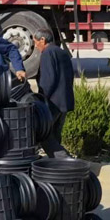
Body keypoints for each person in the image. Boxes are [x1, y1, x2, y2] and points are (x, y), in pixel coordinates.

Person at [33, 28, 74, 158]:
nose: (35, 45)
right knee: (55, 137)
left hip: (53, 103)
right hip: (65, 101)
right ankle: (58, 167)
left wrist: (41, 99)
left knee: (44, 135)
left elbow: (48, 80)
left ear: (43, 40)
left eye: (36, 42)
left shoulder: (47, 53)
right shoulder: (62, 52)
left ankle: (66, 162)